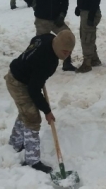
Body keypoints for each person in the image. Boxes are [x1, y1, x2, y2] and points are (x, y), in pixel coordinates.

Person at [6, 30, 76, 173]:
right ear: (57, 46)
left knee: (25, 111)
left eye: (69, 52)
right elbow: (33, 90)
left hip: (23, 76)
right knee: (32, 117)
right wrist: (47, 111)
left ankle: (15, 143)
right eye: (65, 52)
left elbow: (35, 39)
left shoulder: (48, 38)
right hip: (17, 83)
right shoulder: (47, 61)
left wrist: (34, 71)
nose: (67, 55)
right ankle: (32, 161)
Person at [19, 0, 77, 71]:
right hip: (42, 20)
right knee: (39, 44)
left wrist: (62, 15)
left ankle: (67, 63)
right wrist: (32, 3)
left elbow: (65, 2)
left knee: (67, 37)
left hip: (57, 20)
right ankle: (37, 65)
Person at [74, 0, 103, 73]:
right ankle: (94, 59)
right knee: (87, 35)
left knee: (87, 37)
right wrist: (79, 7)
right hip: (86, 11)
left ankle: (87, 63)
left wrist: (90, 16)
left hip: (90, 12)